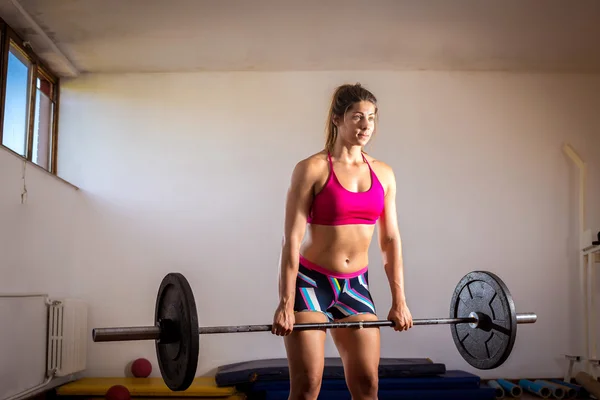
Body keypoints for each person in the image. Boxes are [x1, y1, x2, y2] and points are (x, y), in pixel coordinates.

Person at [271, 83, 413, 400]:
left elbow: (390, 240)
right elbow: (291, 239)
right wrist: (285, 303)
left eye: (372, 118)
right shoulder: (311, 169)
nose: (366, 126)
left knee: (367, 385)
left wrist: (399, 300)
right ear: (338, 119)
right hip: (310, 284)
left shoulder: (384, 173)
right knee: (308, 386)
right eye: (357, 117)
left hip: (356, 287)